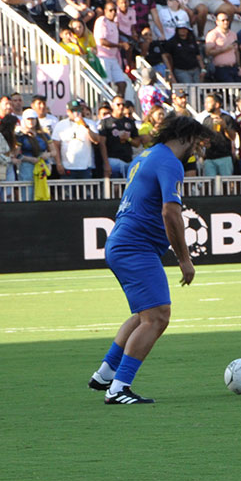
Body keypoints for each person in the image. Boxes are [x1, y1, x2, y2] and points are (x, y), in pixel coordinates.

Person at [86, 114, 210, 404]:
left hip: (122, 242)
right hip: (135, 246)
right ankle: (118, 388)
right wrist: (184, 259)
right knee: (158, 318)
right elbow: (171, 212)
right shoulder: (170, 162)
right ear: (187, 138)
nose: (196, 148)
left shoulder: (145, 156)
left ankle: (105, 373)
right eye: (197, 141)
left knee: (145, 314)